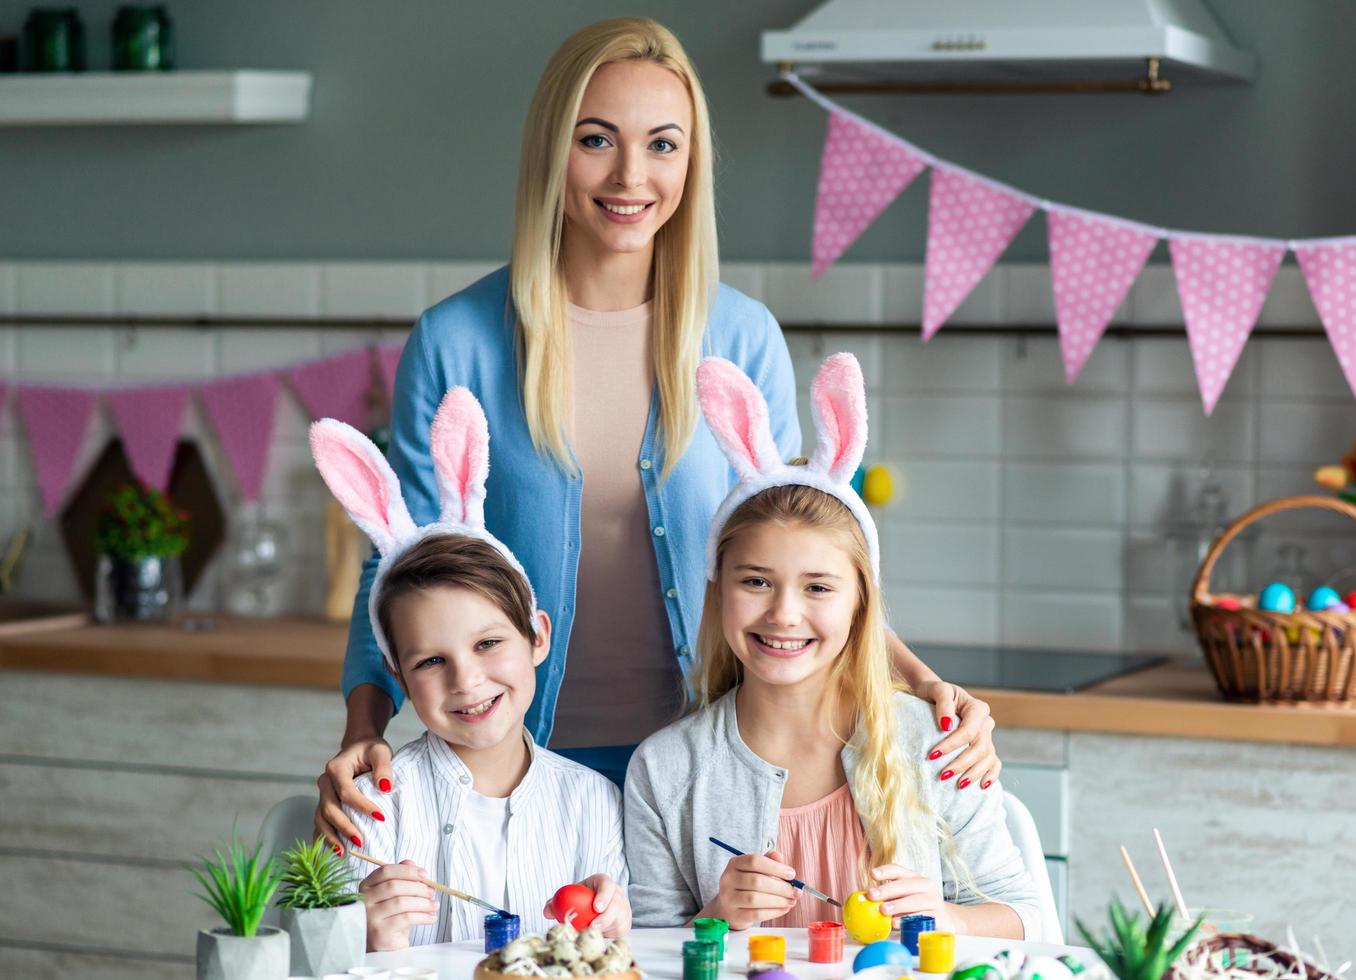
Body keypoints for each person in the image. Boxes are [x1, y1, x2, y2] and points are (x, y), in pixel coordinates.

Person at [315, 16, 1000, 851]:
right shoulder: (457, 340)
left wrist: (926, 685)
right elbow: (397, 563)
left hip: (704, 775)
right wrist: (362, 727)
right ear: (550, 151)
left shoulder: (741, 337)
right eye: (595, 139)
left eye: (662, 145)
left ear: (692, 162)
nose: (631, 175)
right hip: (515, 774)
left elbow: (806, 555)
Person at [625, 355, 1040, 939]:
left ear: (860, 604)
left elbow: (1030, 920)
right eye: (755, 581)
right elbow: (642, 951)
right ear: (717, 592)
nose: (783, 614)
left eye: (818, 587)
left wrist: (946, 917)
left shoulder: (933, 744)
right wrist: (713, 918)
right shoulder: (665, 769)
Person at [310, 388, 629, 950]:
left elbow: (611, 957)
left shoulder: (594, 803)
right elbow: (321, 957)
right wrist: (364, 938)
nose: (466, 680)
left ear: (538, 637)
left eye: (488, 643)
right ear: (397, 674)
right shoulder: (372, 808)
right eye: (432, 660)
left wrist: (611, 925)